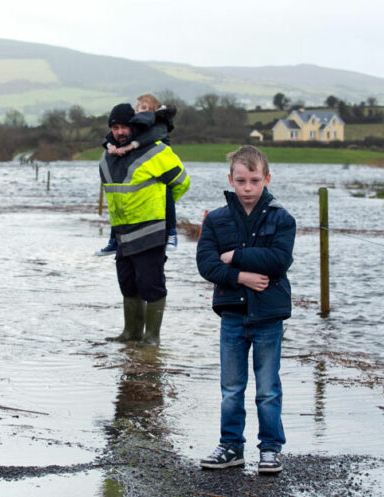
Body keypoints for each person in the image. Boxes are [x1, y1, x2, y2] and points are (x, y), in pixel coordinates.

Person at [196, 146, 295, 474]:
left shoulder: (282, 218)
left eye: (254, 180)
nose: (248, 187)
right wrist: (242, 276)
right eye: (241, 180)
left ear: (267, 179)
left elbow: (279, 261)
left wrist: (235, 256)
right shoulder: (216, 219)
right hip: (232, 316)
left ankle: (270, 448)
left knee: (267, 388)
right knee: (231, 387)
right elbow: (207, 264)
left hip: (269, 316)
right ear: (231, 179)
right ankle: (230, 446)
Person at [100, 103, 190, 347]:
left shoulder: (156, 151)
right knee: (128, 284)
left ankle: (152, 338)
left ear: (134, 127)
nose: (120, 132)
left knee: (152, 286)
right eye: (115, 127)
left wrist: (159, 207)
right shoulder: (106, 157)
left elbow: (182, 182)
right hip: (122, 234)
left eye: (124, 127)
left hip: (150, 231)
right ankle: (131, 333)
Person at [95, 93, 178, 256]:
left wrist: (130, 146)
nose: (142, 111)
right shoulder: (137, 123)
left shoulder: (157, 124)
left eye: (147, 108)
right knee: (118, 197)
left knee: (166, 194)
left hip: (160, 163)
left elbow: (152, 137)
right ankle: (114, 239)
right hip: (140, 167)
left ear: (154, 111)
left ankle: (172, 233)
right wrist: (110, 145)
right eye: (140, 107)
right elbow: (108, 137)